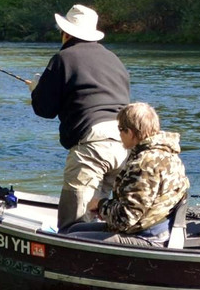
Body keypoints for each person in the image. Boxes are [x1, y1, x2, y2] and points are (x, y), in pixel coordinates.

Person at [29, 4, 130, 232]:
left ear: (65, 33)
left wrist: (36, 89)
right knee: (107, 216)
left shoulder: (63, 58)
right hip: (125, 144)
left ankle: (69, 259)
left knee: (74, 225)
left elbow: (44, 109)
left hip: (91, 146)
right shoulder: (115, 60)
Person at [65, 102, 191, 247]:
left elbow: (126, 218)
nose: (118, 135)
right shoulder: (168, 154)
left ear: (130, 133)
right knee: (75, 229)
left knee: (71, 239)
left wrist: (100, 205)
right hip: (152, 228)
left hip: (148, 237)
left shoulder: (144, 164)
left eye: (120, 130)